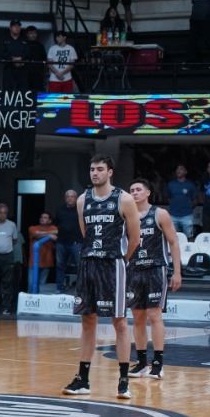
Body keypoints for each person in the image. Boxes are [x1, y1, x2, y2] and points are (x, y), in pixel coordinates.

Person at [62, 154, 141, 400]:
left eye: (99, 169)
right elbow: (85, 232)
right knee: (87, 321)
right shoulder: (82, 200)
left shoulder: (124, 199)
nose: (95, 173)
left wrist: (122, 259)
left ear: (110, 172)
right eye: (92, 169)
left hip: (113, 264)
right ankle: (83, 379)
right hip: (89, 263)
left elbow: (135, 238)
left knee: (119, 322)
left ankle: (123, 381)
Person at [127, 178, 182, 381]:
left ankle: (158, 364)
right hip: (134, 270)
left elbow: (173, 242)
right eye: (131, 190)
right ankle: (142, 363)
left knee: (154, 315)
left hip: (155, 269)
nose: (134, 192)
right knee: (137, 317)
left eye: (138, 189)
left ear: (148, 193)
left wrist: (177, 272)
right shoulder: (126, 217)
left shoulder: (160, 214)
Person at [54, 189, 83, 293]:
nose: (70, 198)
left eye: (72, 196)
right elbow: (55, 224)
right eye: (68, 196)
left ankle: (80, 289)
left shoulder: (80, 209)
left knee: (80, 266)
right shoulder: (60, 210)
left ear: (76, 198)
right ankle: (59, 288)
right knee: (60, 266)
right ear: (65, 198)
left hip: (76, 242)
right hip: (61, 242)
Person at [28, 212, 58, 288]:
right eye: (41, 217)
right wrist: (50, 235)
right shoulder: (33, 228)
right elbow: (36, 234)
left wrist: (42, 233)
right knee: (31, 285)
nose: (42, 219)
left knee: (42, 287)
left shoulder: (53, 228)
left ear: (50, 221)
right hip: (33, 262)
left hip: (46, 262)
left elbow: (57, 232)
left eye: (45, 217)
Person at [165, 165, 196, 238]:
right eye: (177, 169)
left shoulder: (190, 184)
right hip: (173, 215)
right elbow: (168, 197)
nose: (178, 171)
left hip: (187, 215)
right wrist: (173, 206)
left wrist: (189, 208)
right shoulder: (171, 184)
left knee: (189, 237)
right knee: (173, 237)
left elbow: (195, 199)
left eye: (181, 169)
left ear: (185, 172)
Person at [0, 19, 27, 92]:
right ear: (10, 28)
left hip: (21, 70)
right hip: (9, 70)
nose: (17, 28)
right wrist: (13, 59)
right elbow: (2, 54)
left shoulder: (25, 40)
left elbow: (28, 53)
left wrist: (20, 58)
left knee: (22, 92)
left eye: (18, 26)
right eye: (14, 26)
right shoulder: (5, 40)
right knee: (8, 92)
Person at [23, 25, 47, 92]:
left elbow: (44, 59)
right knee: (26, 91)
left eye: (34, 33)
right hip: (26, 74)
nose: (33, 35)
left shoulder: (40, 46)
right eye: (31, 33)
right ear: (27, 34)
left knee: (38, 92)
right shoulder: (23, 45)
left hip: (38, 74)